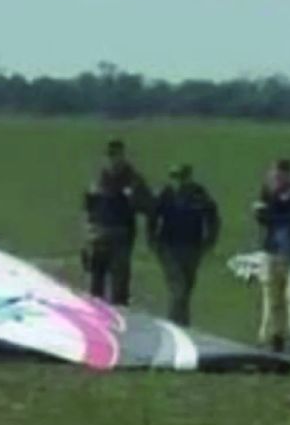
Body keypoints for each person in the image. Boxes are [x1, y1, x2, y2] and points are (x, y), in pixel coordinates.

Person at [83, 139, 154, 306]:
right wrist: (89, 228)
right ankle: (96, 313)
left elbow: (148, 206)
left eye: (116, 155)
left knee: (119, 281)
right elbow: (88, 205)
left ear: (122, 155)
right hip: (98, 234)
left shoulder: (133, 179)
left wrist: (133, 197)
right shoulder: (98, 178)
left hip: (121, 234)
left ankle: (120, 313)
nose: (113, 159)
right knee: (95, 279)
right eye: (110, 155)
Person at [149, 164, 220, 326]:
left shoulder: (199, 194)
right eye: (174, 177)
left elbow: (212, 217)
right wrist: (153, 241)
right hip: (169, 247)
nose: (178, 181)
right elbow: (152, 216)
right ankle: (174, 324)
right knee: (178, 287)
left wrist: (210, 240)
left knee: (187, 288)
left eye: (181, 177)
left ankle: (183, 323)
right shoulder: (165, 194)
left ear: (189, 177)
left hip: (193, 247)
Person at [254, 160, 290, 353]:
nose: (277, 180)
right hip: (271, 251)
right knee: (272, 298)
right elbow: (261, 216)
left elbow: (268, 215)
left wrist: (276, 214)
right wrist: (287, 216)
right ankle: (275, 335)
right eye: (274, 176)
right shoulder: (266, 193)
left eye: (281, 176)